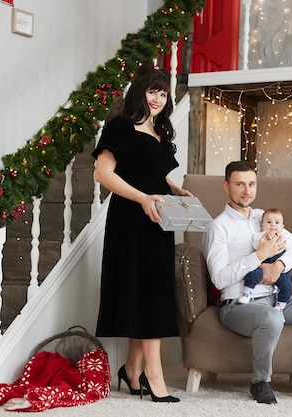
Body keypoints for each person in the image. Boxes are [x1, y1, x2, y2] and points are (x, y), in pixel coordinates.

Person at [202, 160, 292, 404]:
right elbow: (218, 277)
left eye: (251, 184)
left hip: (276, 300)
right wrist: (257, 257)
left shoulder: (264, 217)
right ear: (226, 186)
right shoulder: (218, 227)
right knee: (272, 317)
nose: (247, 190)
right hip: (238, 305)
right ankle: (260, 382)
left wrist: (277, 266)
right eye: (239, 184)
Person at [92, 62, 191, 403]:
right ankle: (154, 375)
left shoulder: (161, 132)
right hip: (132, 219)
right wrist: (142, 198)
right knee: (147, 295)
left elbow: (153, 174)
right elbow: (103, 174)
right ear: (139, 91)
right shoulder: (122, 126)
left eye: (163, 93)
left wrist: (175, 189)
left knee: (150, 293)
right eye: (153, 91)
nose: (158, 98)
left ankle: (131, 371)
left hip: (159, 219)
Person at [238, 208, 292, 312]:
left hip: (277, 266)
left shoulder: (284, 236)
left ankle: (280, 305)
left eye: (277, 223)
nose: (273, 225)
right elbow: (255, 244)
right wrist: (265, 238)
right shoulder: (259, 236)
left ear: (282, 227)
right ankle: (247, 293)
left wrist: (283, 241)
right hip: (262, 263)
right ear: (262, 226)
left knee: (287, 285)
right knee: (253, 273)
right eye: (269, 222)